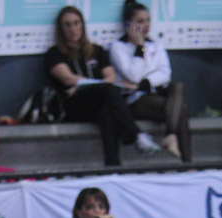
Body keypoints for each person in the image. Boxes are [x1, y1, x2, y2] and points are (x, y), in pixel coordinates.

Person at [45, 6, 153, 166]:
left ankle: (112, 166)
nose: (73, 29)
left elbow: (110, 77)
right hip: (73, 105)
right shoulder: (54, 53)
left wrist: (86, 84)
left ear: (82, 25)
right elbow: (68, 79)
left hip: (98, 103)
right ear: (61, 29)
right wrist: (92, 85)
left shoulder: (96, 50)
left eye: (76, 23)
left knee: (107, 110)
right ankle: (136, 135)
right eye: (67, 25)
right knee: (106, 91)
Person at [109, 1, 191, 162]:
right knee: (181, 109)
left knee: (178, 87)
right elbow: (133, 75)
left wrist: (143, 83)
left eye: (148, 20)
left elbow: (165, 73)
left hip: (153, 93)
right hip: (134, 100)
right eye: (140, 21)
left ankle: (172, 136)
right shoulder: (118, 47)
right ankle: (186, 161)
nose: (146, 25)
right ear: (128, 24)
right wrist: (139, 48)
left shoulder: (156, 44)